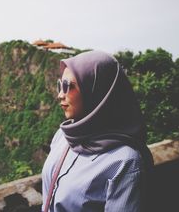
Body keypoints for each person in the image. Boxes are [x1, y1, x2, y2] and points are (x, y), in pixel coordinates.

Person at [42, 50, 153, 212]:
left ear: (96, 90)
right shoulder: (63, 137)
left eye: (68, 86)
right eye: (60, 85)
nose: (60, 95)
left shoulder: (124, 161)